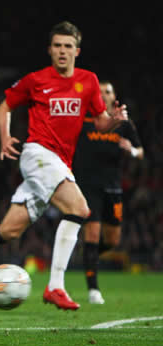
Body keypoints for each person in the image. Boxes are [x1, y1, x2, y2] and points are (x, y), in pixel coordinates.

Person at [0, 21, 128, 310]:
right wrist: (4, 137)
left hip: (60, 163)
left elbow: (100, 120)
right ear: (49, 50)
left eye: (68, 46)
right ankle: (55, 286)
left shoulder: (88, 81)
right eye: (57, 46)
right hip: (38, 154)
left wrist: (114, 120)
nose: (62, 51)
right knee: (79, 209)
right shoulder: (36, 80)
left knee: (9, 230)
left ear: (77, 51)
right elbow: (4, 106)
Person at [73, 81, 144, 304]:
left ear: (114, 97)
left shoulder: (123, 125)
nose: (104, 94)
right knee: (93, 234)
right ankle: (93, 290)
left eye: (108, 91)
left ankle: (88, 254)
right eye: (100, 91)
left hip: (113, 188)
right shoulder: (84, 122)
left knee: (112, 240)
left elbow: (141, 151)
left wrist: (131, 150)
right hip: (87, 188)